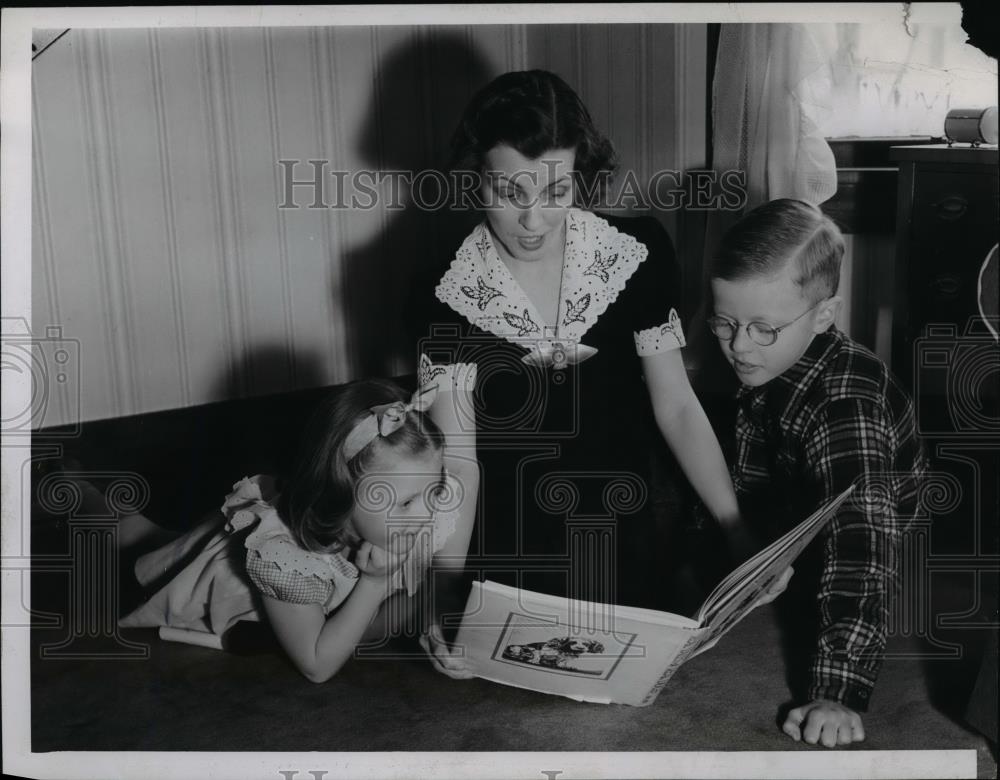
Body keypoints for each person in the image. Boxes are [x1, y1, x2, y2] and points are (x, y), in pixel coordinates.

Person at [411, 70, 745, 672]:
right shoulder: (446, 290)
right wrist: (443, 592)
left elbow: (675, 404)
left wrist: (735, 529)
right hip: (514, 520)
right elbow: (459, 459)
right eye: (510, 192)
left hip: (632, 505)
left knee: (645, 644)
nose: (534, 220)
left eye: (556, 192)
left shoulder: (637, 253)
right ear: (474, 178)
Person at [706, 198, 928, 747]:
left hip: (868, 531)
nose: (737, 345)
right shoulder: (770, 354)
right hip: (790, 503)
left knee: (847, 555)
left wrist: (837, 691)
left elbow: (861, 547)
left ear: (824, 315)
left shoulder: (846, 405)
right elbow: (749, 468)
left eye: (762, 328)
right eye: (725, 322)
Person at [119, 378, 473, 683]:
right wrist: (374, 581)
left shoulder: (402, 521)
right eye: (408, 502)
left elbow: (394, 610)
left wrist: (433, 624)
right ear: (341, 495)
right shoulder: (282, 558)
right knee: (132, 542)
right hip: (211, 580)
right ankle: (80, 489)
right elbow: (317, 667)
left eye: (435, 492)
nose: (429, 514)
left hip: (309, 597)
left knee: (149, 532)